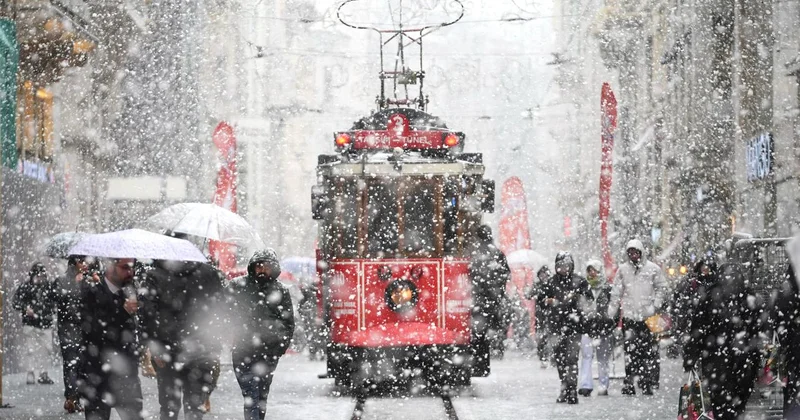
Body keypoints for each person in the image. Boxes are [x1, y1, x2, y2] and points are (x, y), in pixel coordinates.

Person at [139, 259, 226, 420]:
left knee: (168, 407)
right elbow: (220, 310)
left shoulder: (155, 275)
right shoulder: (208, 273)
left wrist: (154, 345)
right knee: (194, 407)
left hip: (167, 349)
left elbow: (147, 314)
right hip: (201, 348)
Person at [682, 257, 761, 420]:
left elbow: (698, 329)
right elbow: (758, 327)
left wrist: (691, 355)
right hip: (741, 357)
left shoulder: (710, 296)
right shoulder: (748, 296)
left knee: (719, 400)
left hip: (716, 358)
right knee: (738, 398)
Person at [226, 249, 295, 420]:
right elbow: (222, 312)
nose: (262, 270)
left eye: (266, 266)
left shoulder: (281, 291)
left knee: (262, 395)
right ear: (253, 267)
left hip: (268, 353)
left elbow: (288, 323)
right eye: (259, 266)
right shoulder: (237, 286)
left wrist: (279, 348)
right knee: (251, 395)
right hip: (243, 351)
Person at [79, 258, 143, 420]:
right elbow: (91, 332)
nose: (130, 272)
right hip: (97, 375)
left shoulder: (131, 291)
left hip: (127, 376)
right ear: (110, 267)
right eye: (125, 267)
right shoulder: (91, 292)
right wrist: (121, 312)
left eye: (132, 267)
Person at [608, 239, 667, 396]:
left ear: (641, 252)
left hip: (649, 317)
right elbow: (616, 292)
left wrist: (655, 305)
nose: (633, 255)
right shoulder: (623, 270)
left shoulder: (653, 269)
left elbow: (662, 288)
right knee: (630, 351)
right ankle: (630, 382)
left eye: (636, 252)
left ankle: (646, 381)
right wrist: (612, 309)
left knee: (648, 351)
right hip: (630, 317)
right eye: (630, 252)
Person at [536, 251, 593, 404]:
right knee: (560, 360)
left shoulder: (579, 281)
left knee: (572, 358)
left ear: (571, 266)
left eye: (567, 265)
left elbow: (589, 300)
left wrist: (577, 298)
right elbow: (540, 301)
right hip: (555, 327)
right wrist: (548, 301)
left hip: (574, 326)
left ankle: (572, 389)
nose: (563, 268)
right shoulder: (550, 283)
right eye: (560, 265)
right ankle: (565, 387)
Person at [54, 256, 100, 412]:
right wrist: (75, 284)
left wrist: (97, 284)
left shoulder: (88, 280)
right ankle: (71, 397)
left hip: (84, 328)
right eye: (82, 261)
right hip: (68, 328)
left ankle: (77, 397)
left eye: (87, 262)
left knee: (82, 364)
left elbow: (96, 302)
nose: (85, 264)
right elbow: (59, 300)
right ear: (74, 263)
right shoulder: (61, 280)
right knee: (71, 363)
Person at [469, 225, 512, 360]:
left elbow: (470, 274)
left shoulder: (474, 253)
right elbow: (506, 274)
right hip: (494, 296)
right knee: (497, 321)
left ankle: (480, 352)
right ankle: (496, 347)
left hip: (478, 297)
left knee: (479, 327)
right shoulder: (497, 253)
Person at [12, 262, 57, 386]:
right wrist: (25, 308)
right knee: (30, 350)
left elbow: (55, 302)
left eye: (42, 275)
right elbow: (15, 302)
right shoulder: (25, 287)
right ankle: (31, 372)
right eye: (37, 275)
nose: (39, 278)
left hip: (45, 323)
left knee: (46, 350)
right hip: (31, 324)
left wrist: (48, 310)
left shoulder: (48, 287)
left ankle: (43, 373)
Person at [578, 259, 613, 397]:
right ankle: (585, 385)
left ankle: (603, 385)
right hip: (587, 328)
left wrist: (611, 323)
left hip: (604, 328)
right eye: (589, 270)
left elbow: (615, 307)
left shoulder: (608, 289)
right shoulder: (583, 288)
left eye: (595, 270)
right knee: (586, 356)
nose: (592, 273)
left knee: (602, 359)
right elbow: (579, 307)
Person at [526, 265, 554, 368]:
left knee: (552, 337)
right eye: (541, 275)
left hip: (552, 314)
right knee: (541, 338)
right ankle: (543, 358)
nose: (543, 277)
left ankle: (553, 357)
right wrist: (534, 292)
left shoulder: (552, 284)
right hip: (540, 315)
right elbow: (529, 296)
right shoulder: (537, 285)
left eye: (545, 274)